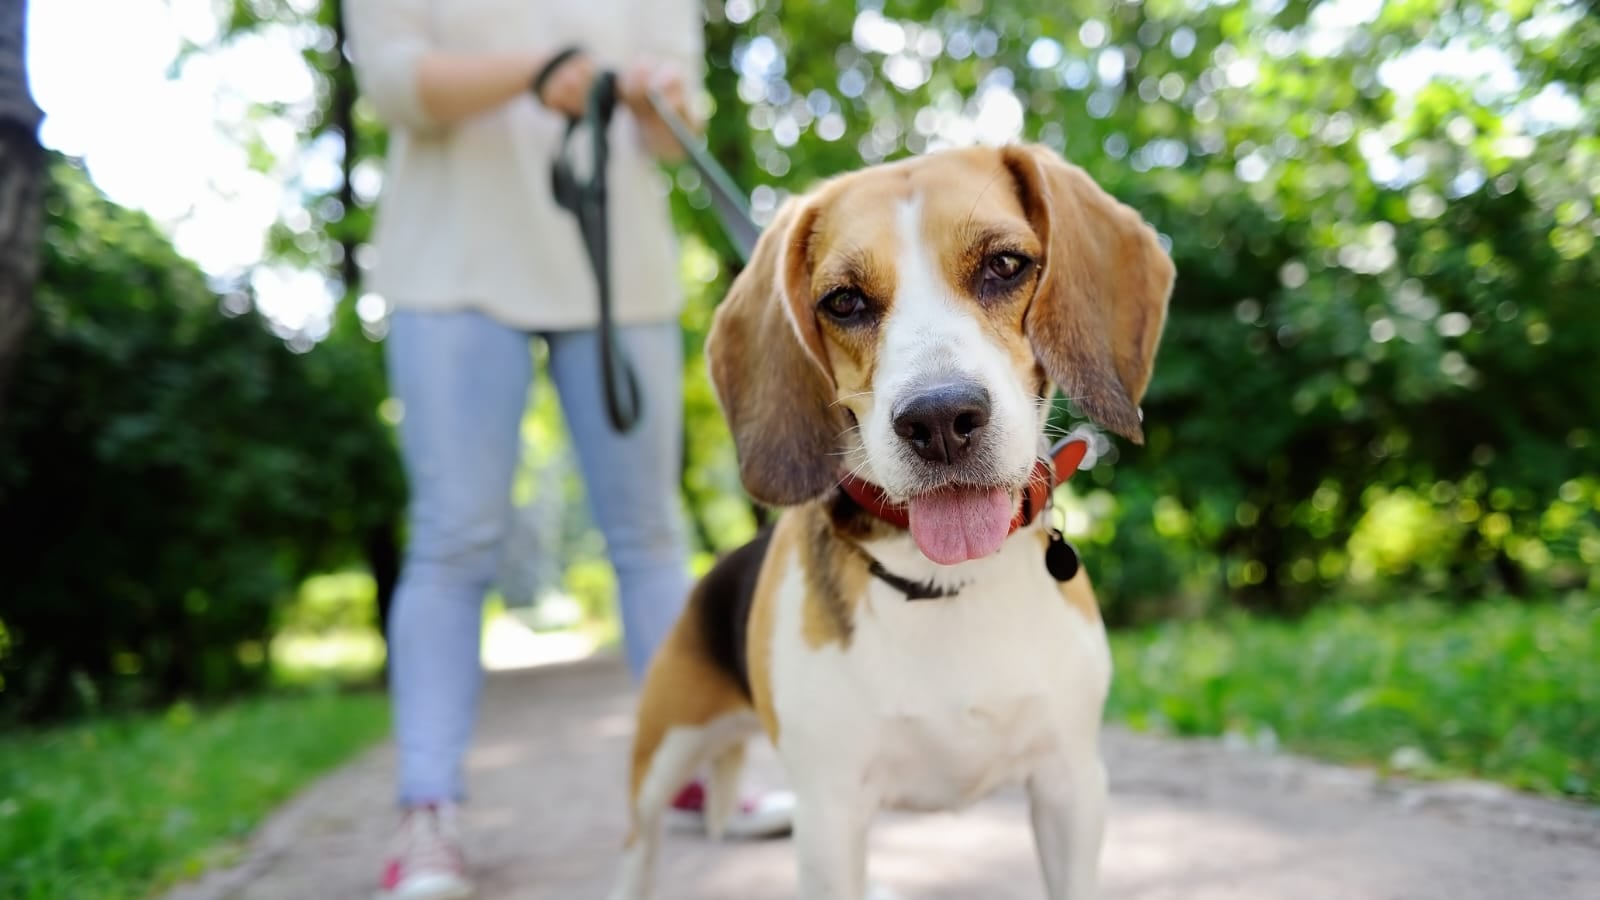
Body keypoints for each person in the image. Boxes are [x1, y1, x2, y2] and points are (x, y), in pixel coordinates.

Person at [343, 2, 791, 897]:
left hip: (619, 273)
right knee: (453, 538)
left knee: (650, 535)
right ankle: (427, 811)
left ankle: (698, 770)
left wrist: (660, 99)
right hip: (451, 266)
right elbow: (395, 87)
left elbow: (670, 137)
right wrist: (537, 70)